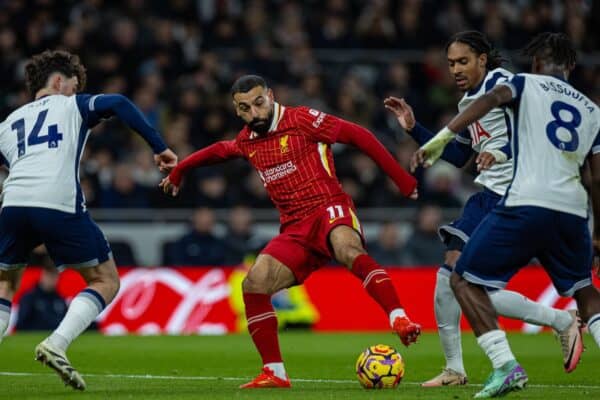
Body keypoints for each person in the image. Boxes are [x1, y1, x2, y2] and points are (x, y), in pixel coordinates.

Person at [160, 74, 422, 388]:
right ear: (237, 111)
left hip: (328, 208)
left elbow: (360, 136)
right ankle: (275, 373)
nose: (254, 113)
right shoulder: (248, 140)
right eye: (244, 108)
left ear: (270, 95)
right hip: (295, 229)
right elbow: (219, 150)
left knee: (347, 249)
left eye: (258, 103)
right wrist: (180, 169)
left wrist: (403, 181)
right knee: (254, 283)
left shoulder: (302, 119)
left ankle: (399, 318)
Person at [385, 31, 583, 387]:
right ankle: (459, 368)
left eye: (463, 61)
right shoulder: (468, 104)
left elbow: (538, 126)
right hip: (490, 194)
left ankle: (553, 326)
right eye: (450, 63)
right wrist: (416, 129)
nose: (456, 69)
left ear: (482, 59)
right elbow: (461, 156)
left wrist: (504, 152)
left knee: (459, 279)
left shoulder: (502, 84)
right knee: (457, 281)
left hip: (513, 193)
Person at [0, 50, 176, 390]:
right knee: (105, 280)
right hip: (57, 202)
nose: (75, 91)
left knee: (5, 285)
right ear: (58, 81)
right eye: (74, 85)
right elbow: (121, 103)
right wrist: (159, 147)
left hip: (13, 205)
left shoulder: (8, 124)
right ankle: (57, 343)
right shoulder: (72, 105)